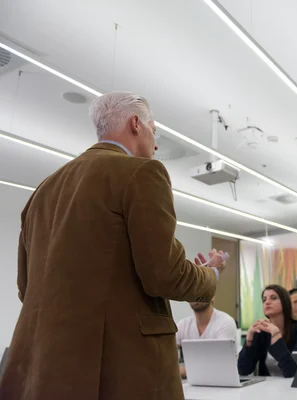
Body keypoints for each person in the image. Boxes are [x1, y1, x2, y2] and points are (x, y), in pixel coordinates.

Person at [0, 92, 226, 400]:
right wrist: (210, 275)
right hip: (122, 368)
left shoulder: (42, 191)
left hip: (45, 370)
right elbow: (165, 274)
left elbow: (27, 289)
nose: (156, 144)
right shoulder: (141, 172)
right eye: (154, 131)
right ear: (136, 124)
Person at [238, 285, 297, 377]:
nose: (267, 302)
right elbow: (243, 370)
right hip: (266, 388)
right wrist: (249, 339)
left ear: (285, 302)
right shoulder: (261, 331)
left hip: (293, 388)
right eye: (264, 300)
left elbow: (293, 372)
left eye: (273, 298)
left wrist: (276, 335)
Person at [176, 298, 237, 378]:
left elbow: (220, 366)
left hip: (221, 383)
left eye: (201, 289)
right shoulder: (182, 325)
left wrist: (182, 371)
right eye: (192, 291)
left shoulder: (225, 322)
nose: (196, 295)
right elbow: (166, 354)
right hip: (192, 384)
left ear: (212, 296)